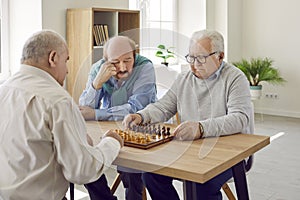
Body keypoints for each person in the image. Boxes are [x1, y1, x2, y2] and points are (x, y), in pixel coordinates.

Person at [123, 29, 254, 200]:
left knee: (202, 185)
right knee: (151, 174)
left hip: (231, 154)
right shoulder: (184, 79)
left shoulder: (235, 78)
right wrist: (142, 116)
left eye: (200, 58)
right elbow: (164, 106)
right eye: (190, 57)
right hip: (192, 149)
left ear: (220, 57)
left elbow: (240, 118)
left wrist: (201, 128)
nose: (193, 64)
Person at [0, 30, 123, 200]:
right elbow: (83, 171)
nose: (67, 71)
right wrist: (112, 142)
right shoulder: (57, 100)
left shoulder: (4, 89)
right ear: (53, 58)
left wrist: (76, 142)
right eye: (66, 61)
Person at [79, 35, 157, 200]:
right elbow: (84, 108)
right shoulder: (97, 69)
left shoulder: (145, 67)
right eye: (115, 62)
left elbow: (136, 108)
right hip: (109, 129)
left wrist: (96, 114)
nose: (122, 67)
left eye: (127, 60)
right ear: (106, 61)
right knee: (85, 155)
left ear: (135, 55)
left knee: (131, 168)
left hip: (143, 127)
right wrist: (97, 83)